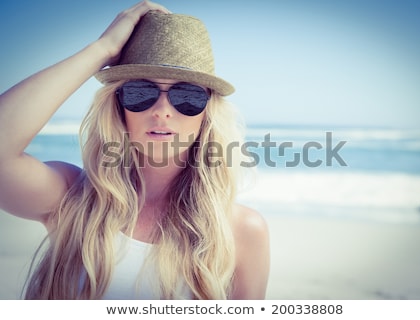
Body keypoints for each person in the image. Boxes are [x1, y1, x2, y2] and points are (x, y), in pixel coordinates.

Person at [0, 1, 270, 299]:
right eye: (141, 92)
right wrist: (101, 50)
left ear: (207, 114)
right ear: (118, 106)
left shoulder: (242, 230)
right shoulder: (70, 201)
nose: (162, 110)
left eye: (187, 96)